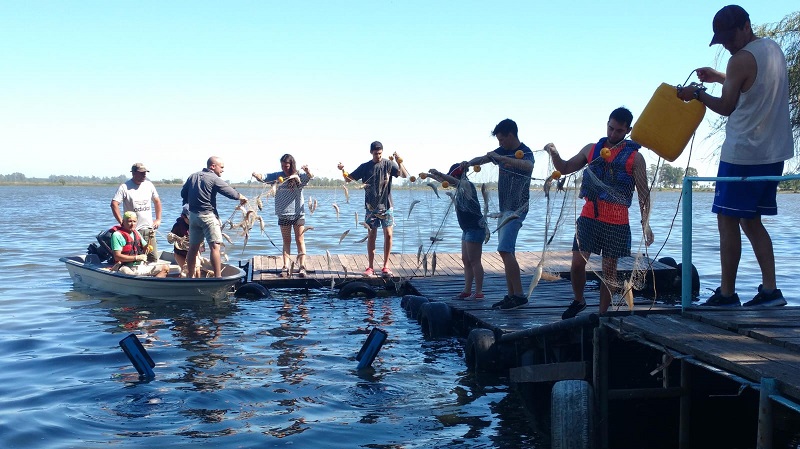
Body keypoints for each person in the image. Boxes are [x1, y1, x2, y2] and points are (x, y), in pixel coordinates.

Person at [677, 5, 792, 307]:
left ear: (745, 26)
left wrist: (697, 94)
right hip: (773, 153)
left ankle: (727, 294)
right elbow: (752, 84)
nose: (727, 44)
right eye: (723, 40)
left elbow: (727, 105)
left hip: (743, 153)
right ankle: (771, 291)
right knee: (752, 222)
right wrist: (718, 76)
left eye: (730, 37)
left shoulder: (740, 60)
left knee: (727, 220)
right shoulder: (772, 49)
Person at [545, 107, 654, 319]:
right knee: (577, 264)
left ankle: (602, 314)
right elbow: (565, 167)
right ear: (607, 124)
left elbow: (644, 194)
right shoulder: (592, 150)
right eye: (610, 128)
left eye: (619, 131)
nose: (613, 134)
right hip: (589, 216)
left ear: (628, 130)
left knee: (609, 271)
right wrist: (553, 152)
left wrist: (646, 223)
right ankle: (579, 300)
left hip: (617, 220)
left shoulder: (635, 158)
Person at [466, 119, 533, 310]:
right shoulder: (502, 151)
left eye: (502, 140)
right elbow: (485, 159)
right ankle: (511, 295)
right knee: (506, 252)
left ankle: (519, 295)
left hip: (518, 209)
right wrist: (468, 163)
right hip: (505, 210)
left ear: (511, 135)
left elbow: (528, 166)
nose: (500, 143)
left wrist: (503, 159)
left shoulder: (525, 152)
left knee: (504, 250)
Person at [337, 141, 409, 277]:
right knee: (372, 235)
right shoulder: (365, 167)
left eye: (380, 153)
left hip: (387, 206)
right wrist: (342, 170)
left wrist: (400, 161)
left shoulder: (388, 164)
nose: (378, 156)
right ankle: (370, 267)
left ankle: (386, 266)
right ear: (371, 153)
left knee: (388, 234)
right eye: (376, 154)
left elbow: (404, 175)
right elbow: (348, 179)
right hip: (371, 207)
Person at [181, 156, 248, 278]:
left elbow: (183, 194)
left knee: (193, 248)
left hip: (194, 217)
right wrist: (241, 196)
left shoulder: (192, 176)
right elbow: (229, 191)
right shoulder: (214, 178)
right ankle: (218, 278)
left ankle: (190, 277)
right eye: (221, 167)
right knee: (215, 247)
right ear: (212, 166)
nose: (222, 170)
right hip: (208, 217)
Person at [428, 163, 485, 300]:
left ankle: (479, 293)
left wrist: (439, 173)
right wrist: (431, 176)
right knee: (466, 260)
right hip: (466, 229)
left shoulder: (467, 185)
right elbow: (447, 182)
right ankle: (467, 291)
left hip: (475, 228)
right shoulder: (459, 188)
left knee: (475, 260)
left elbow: (452, 181)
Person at [252, 154, 314, 277]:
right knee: (286, 241)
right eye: (282, 166)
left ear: (291, 165)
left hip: (298, 213)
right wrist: (257, 175)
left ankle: (302, 267)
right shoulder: (277, 176)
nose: (285, 168)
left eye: (286, 166)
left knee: (300, 240)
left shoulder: (298, 177)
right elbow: (264, 177)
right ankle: (285, 266)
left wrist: (308, 171)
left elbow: (310, 177)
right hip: (283, 214)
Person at [111, 162, 162, 262]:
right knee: (135, 256)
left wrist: (158, 219)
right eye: (141, 173)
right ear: (134, 173)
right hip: (132, 230)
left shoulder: (149, 185)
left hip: (148, 228)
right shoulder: (124, 187)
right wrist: (122, 221)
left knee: (152, 257)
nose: (144, 175)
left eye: (145, 173)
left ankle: (149, 276)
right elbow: (114, 204)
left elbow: (157, 201)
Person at [111, 211, 169, 278]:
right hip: (124, 266)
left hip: (140, 266)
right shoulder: (117, 235)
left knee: (165, 268)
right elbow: (117, 256)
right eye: (129, 221)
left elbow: (146, 249)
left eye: (134, 221)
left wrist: (151, 238)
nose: (132, 224)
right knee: (133, 276)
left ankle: (152, 286)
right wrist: (136, 257)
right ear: (123, 222)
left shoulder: (136, 233)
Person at [167, 204, 202, 277]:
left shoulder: (197, 224)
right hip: (180, 253)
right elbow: (170, 241)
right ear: (183, 217)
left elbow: (201, 243)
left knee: (197, 271)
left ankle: (198, 285)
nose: (192, 220)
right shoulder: (178, 226)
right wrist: (171, 237)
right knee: (186, 270)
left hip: (194, 251)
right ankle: (183, 285)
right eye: (189, 219)